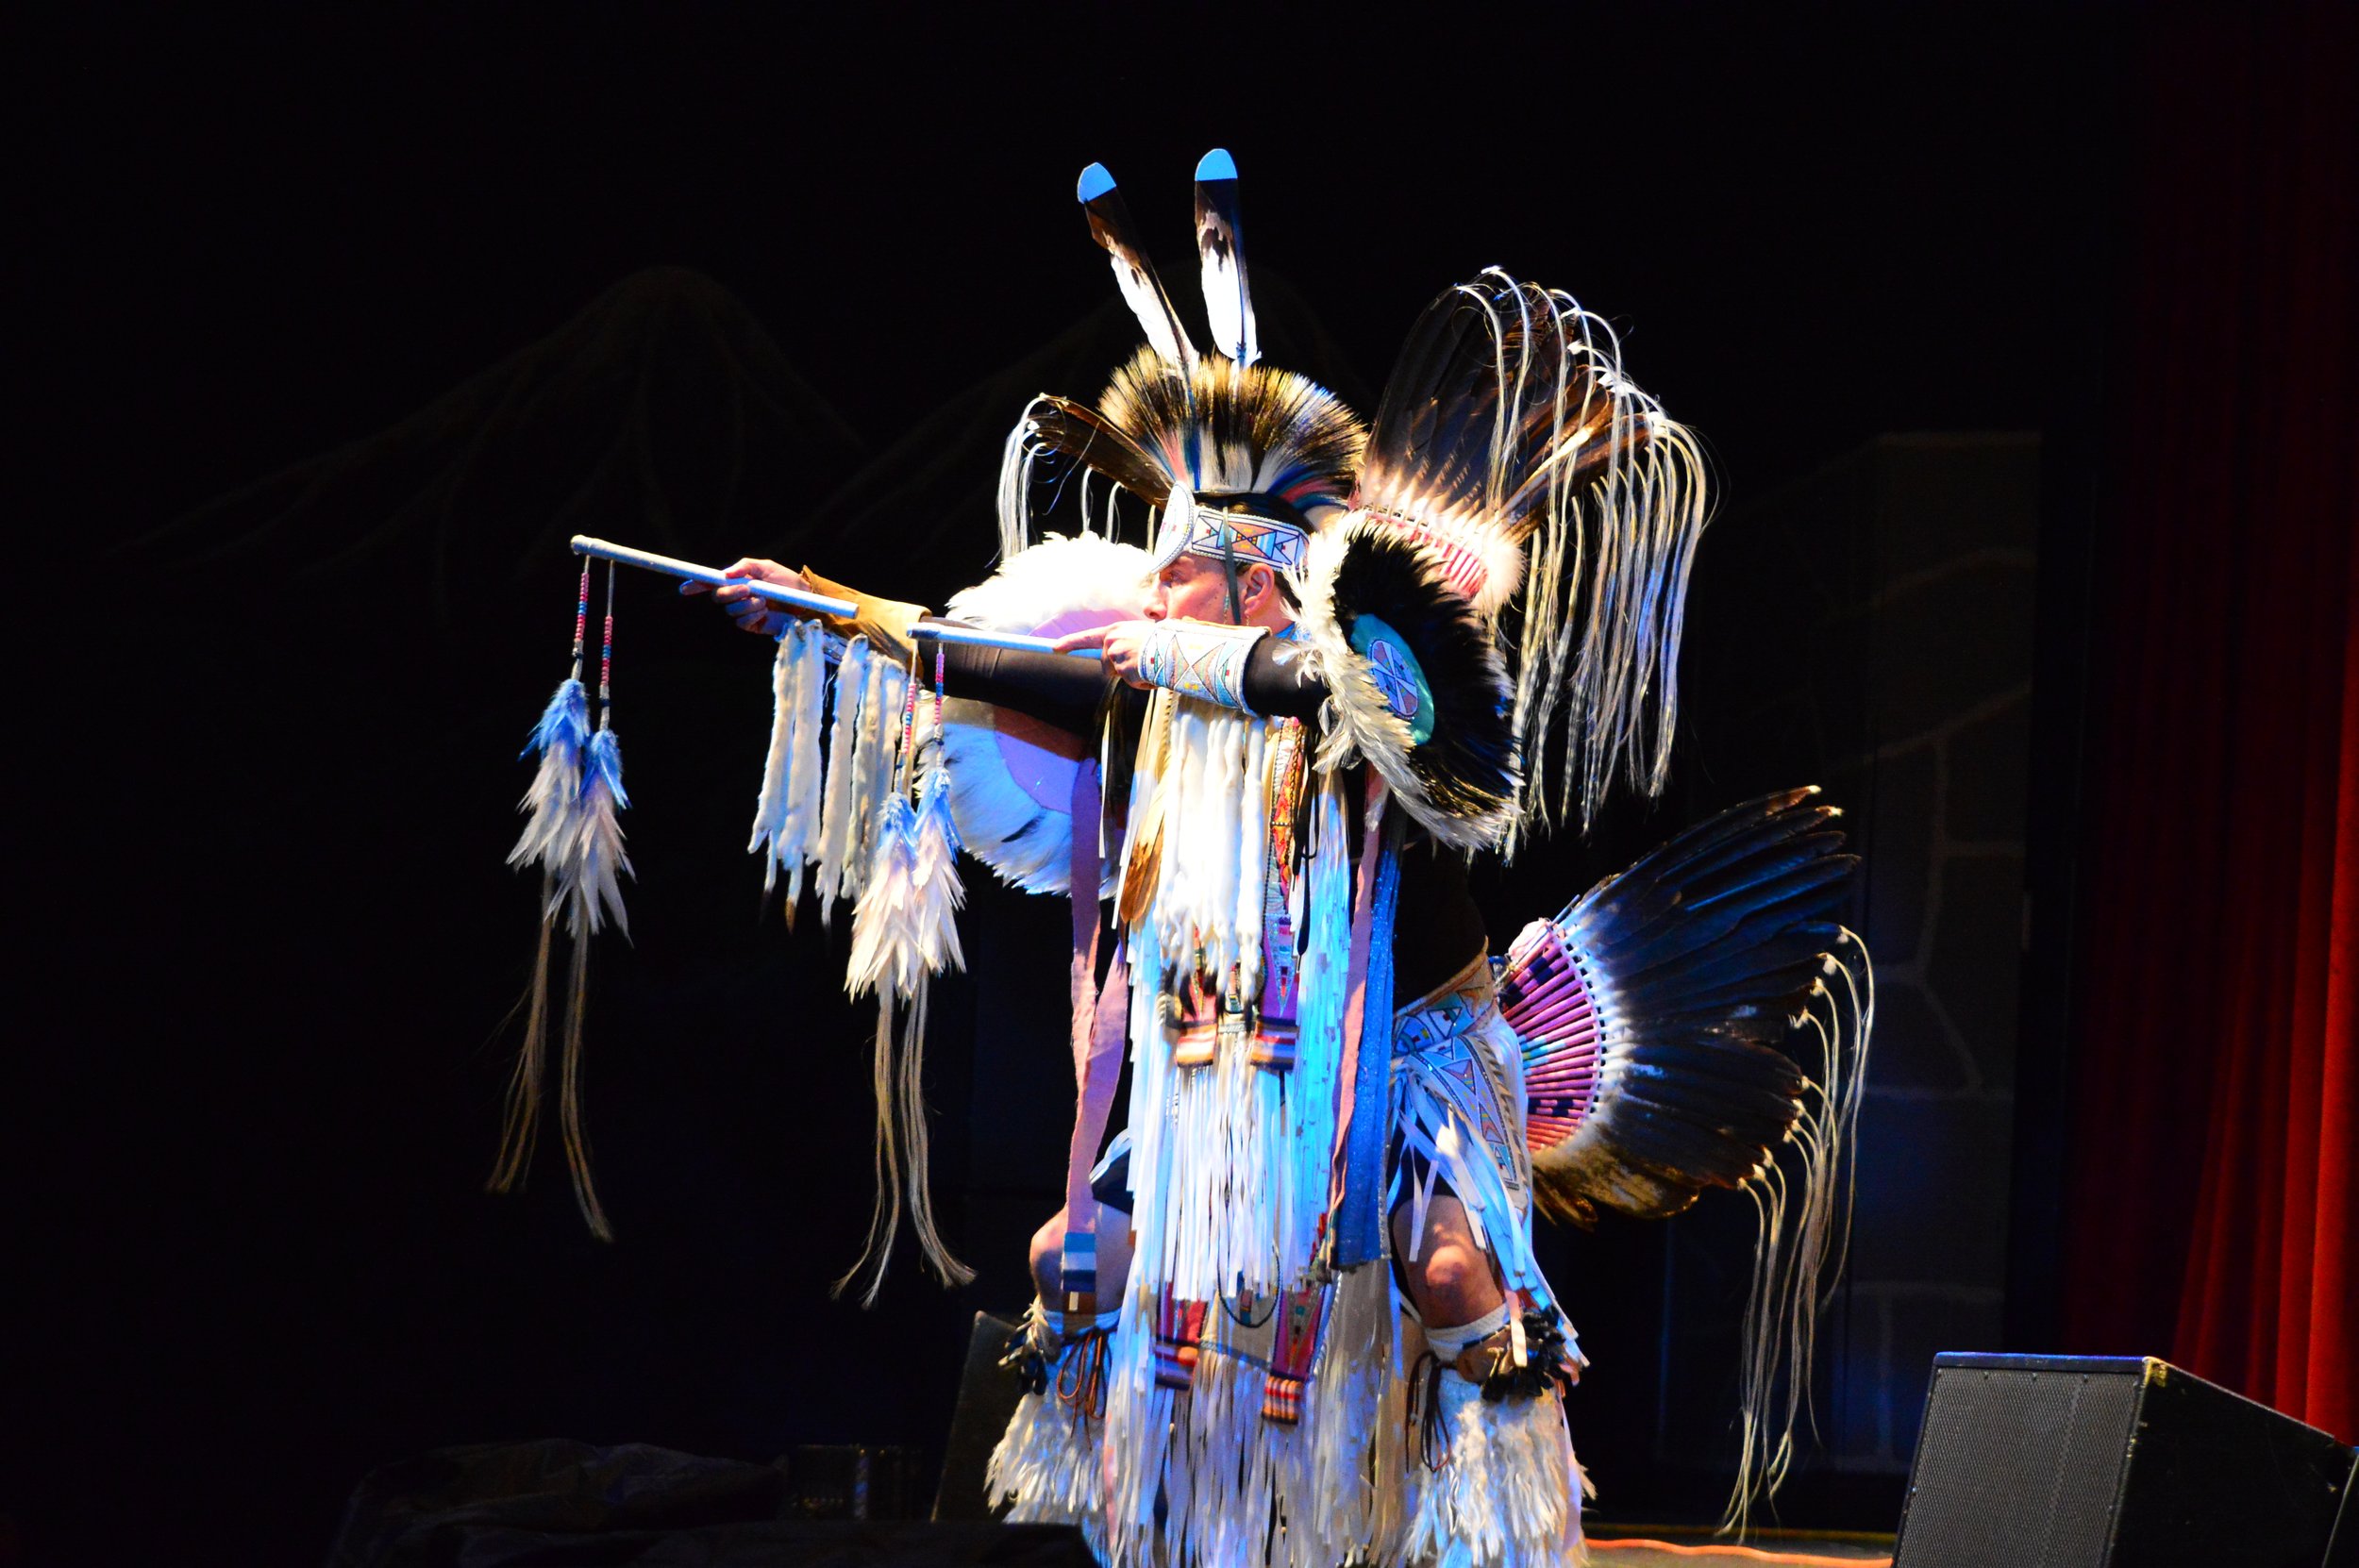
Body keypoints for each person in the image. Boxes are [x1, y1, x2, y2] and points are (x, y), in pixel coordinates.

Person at [681, 155, 1861, 1568]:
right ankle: (1133, 1525)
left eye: (1177, 570)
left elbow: (1346, 696)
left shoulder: (1364, 686)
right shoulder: (1149, 707)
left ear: (1249, 577)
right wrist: (825, 604)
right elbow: (974, 651)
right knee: (1081, 1263)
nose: (1145, 587)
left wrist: (1185, 653)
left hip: (1407, 1064)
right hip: (1222, 1067)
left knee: (1448, 1272)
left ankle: (1510, 1532)